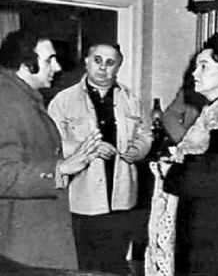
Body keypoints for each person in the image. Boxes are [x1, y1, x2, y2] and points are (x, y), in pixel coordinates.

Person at [0, 29, 101, 270]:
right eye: (49, 60)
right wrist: (60, 169)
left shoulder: (22, 97)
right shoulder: (6, 100)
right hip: (23, 248)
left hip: (32, 241)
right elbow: (3, 174)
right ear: (26, 64)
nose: (56, 67)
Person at [48, 43, 152, 275]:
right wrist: (88, 149)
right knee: (83, 267)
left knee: (114, 265)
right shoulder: (63, 100)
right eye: (97, 60)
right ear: (86, 61)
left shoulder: (131, 100)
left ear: (118, 67)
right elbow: (52, 142)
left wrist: (138, 149)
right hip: (81, 202)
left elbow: (146, 134)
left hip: (121, 201)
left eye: (110, 62)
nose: (103, 68)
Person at [163, 32, 218, 276]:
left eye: (204, 67)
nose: (194, 74)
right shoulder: (209, 120)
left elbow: (185, 181)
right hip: (202, 241)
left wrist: (179, 167)